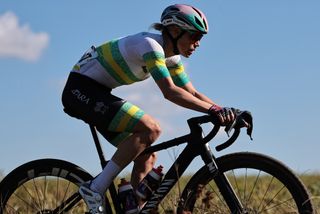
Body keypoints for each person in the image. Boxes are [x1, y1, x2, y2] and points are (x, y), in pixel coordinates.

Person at [62, 4, 235, 214]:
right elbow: (170, 91)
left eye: (201, 38)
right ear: (173, 30)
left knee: (147, 156)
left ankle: (134, 209)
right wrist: (213, 111)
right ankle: (95, 188)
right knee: (151, 129)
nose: (197, 43)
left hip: (99, 92)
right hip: (80, 89)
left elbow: (192, 92)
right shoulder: (150, 46)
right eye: (194, 35)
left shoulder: (172, 58)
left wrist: (225, 110)